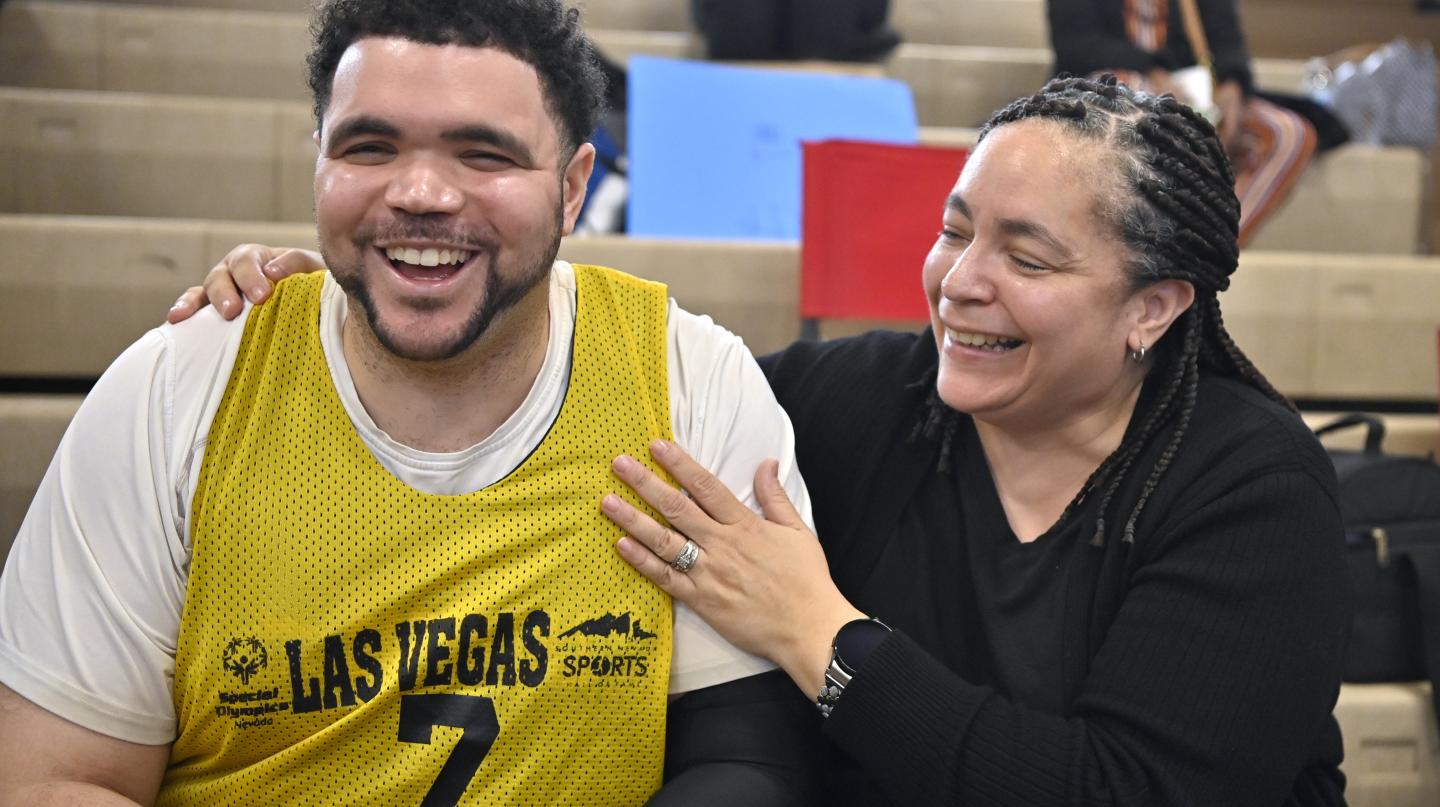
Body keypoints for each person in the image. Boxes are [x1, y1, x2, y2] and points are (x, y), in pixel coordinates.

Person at [170, 76, 1350, 805]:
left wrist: (819, 636)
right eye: (955, 231)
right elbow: (602, 394)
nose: (958, 284)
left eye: (1027, 258)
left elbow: (1117, 795)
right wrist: (361, 300)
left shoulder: (1254, 490)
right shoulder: (862, 400)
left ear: (1155, 307)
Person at [0, 1, 822, 804]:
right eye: (370, 146)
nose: (422, 192)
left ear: (574, 188)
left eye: (483, 155)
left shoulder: (688, 378)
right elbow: (53, 774)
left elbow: (751, 759)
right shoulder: (179, 388)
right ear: (318, 159)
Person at [1048, 0, 1318, 246]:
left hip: (1196, 93)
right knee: (1130, 95)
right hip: (1110, 87)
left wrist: (1232, 84)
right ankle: (1130, 246)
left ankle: (1206, 250)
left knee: (1288, 133)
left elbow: (1228, 44)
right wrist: (1152, 72)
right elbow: (1077, 47)